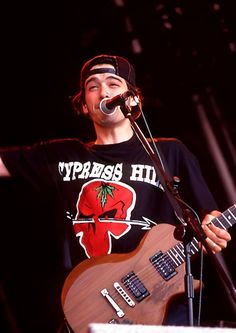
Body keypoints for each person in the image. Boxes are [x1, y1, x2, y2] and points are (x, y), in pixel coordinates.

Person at [0, 54, 233, 332]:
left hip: (161, 305)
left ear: (133, 100)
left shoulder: (169, 153)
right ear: (84, 106)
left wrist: (212, 233)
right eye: (93, 86)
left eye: (113, 83)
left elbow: (208, 216)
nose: (104, 91)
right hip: (91, 302)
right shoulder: (63, 154)